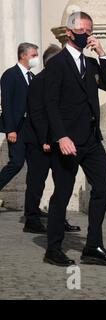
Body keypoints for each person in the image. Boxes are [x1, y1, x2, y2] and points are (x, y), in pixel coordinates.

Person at [43, 11, 106, 267]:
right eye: (82, 31)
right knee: (62, 194)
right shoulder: (56, 64)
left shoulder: (91, 63)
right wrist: (60, 136)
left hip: (91, 140)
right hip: (67, 142)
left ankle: (93, 246)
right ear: (69, 33)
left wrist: (103, 53)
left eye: (90, 31)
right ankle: (53, 249)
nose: (86, 36)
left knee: (103, 187)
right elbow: (50, 104)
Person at [21, 44, 81, 235]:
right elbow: (37, 113)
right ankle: (31, 219)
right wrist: (44, 140)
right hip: (40, 142)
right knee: (36, 182)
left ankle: (59, 219)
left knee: (62, 183)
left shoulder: (62, 80)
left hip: (57, 141)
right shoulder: (40, 81)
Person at [0, 43, 40, 230]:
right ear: (24, 55)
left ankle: (33, 208)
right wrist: (10, 129)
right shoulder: (10, 75)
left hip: (31, 128)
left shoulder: (32, 77)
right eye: (34, 54)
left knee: (35, 167)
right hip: (17, 127)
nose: (36, 57)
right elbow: (6, 104)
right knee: (16, 163)